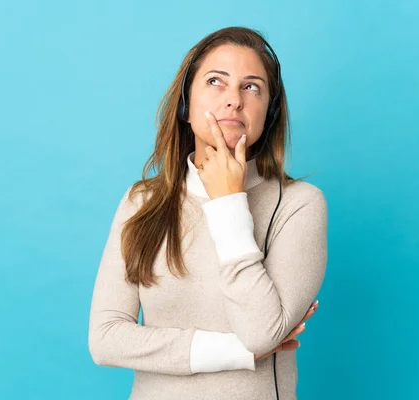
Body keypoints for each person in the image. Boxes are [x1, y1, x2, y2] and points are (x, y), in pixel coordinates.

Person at [88, 26, 328, 400]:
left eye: (251, 87)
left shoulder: (300, 204)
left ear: (270, 111)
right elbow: (105, 339)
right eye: (216, 81)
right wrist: (236, 353)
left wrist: (228, 202)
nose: (233, 100)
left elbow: (261, 332)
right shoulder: (141, 202)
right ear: (185, 105)